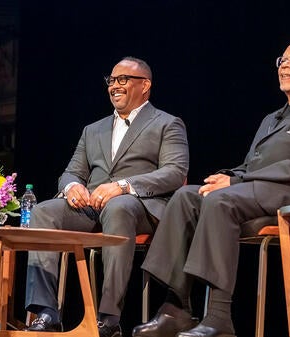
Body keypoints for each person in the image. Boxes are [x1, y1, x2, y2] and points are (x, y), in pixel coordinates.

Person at [131, 38, 290, 337]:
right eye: (282, 60)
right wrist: (228, 176)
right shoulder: (272, 118)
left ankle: (220, 316)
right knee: (186, 196)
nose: (284, 65)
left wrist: (236, 182)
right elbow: (250, 167)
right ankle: (176, 308)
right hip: (259, 192)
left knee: (222, 200)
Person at [24, 56, 189, 337]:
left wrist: (124, 185)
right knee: (43, 212)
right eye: (111, 80)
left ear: (145, 85)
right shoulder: (93, 129)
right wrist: (73, 187)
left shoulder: (167, 123)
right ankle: (45, 312)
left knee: (119, 207)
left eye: (123, 79)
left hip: (140, 206)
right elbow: (71, 172)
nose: (115, 86)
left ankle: (108, 317)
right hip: (93, 208)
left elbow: (175, 172)